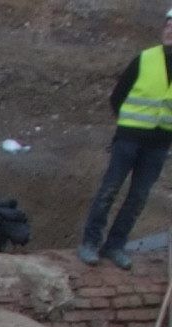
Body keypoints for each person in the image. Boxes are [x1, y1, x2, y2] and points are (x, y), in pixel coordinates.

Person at [80, 10, 172, 266]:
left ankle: (115, 245)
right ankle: (90, 242)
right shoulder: (144, 59)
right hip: (129, 139)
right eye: (168, 24)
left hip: (159, 144)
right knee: (110, 189)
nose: (169, 30)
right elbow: (117, 97)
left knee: (138, 197)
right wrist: (130, 125)